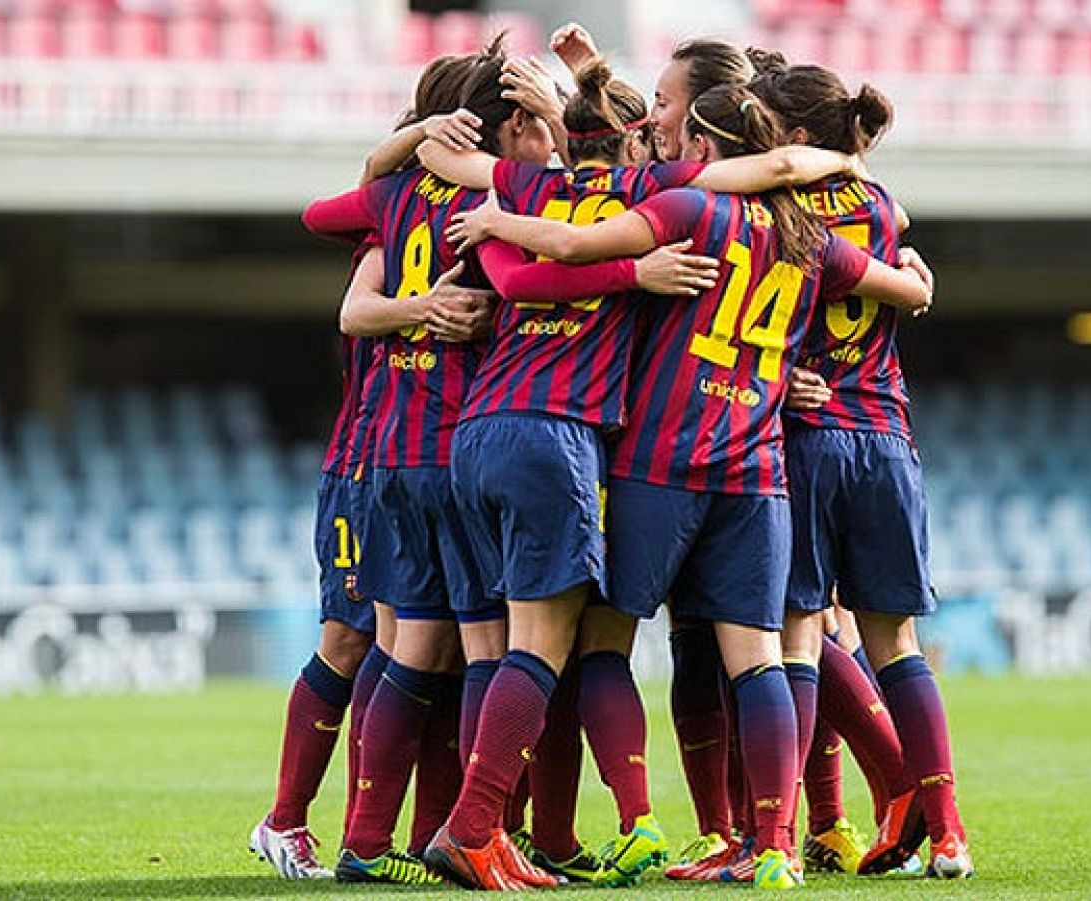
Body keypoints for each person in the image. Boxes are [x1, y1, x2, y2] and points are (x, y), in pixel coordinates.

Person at [447, 84, 931, 890]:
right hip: (757, 468)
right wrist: (915, 276)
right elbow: (899, 285)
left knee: (595, 641)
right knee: (760, 658)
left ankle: (624, 822)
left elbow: (570, 249)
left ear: (704, 151)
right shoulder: (811, 238)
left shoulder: (685, 210)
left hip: (659, 463)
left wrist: (496, 221)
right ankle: (773, 847)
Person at [246, 52, 488, 883]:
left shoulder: (468, 202)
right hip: (370, 456)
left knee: (436, 643)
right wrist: (425, 310)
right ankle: (290, 823)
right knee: (358, 638)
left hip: (436, 451)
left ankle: (411, 831)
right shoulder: (403, 206)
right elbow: (352, 298)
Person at [752, 61, 973, 879]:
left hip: (805, 437)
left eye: (766, 124)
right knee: (895, 641)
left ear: (797, 139)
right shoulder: (881, 205)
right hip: (884, 434)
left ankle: (780, 842)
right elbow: (902, 269)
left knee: (797, 635)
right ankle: (948, 833)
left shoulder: (779, 213)